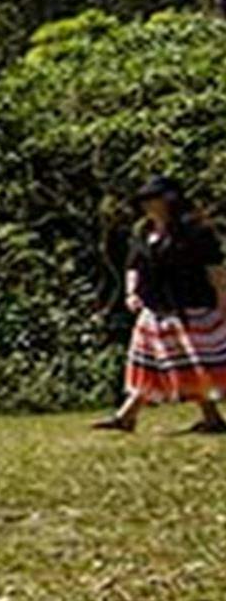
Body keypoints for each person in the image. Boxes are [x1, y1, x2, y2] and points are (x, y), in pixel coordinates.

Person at [95, 174, 226, 435]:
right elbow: (134, 265)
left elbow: (215, 270)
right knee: (148, 364)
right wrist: (132, 293)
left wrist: (223, 301)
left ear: (169, 200)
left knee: (192, 364)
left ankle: (210, 417)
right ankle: (127, 416)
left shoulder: (195, 231)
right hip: (155, 307)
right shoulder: (144, 232)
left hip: (190, 306)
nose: (147, 205)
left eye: (152, 199)